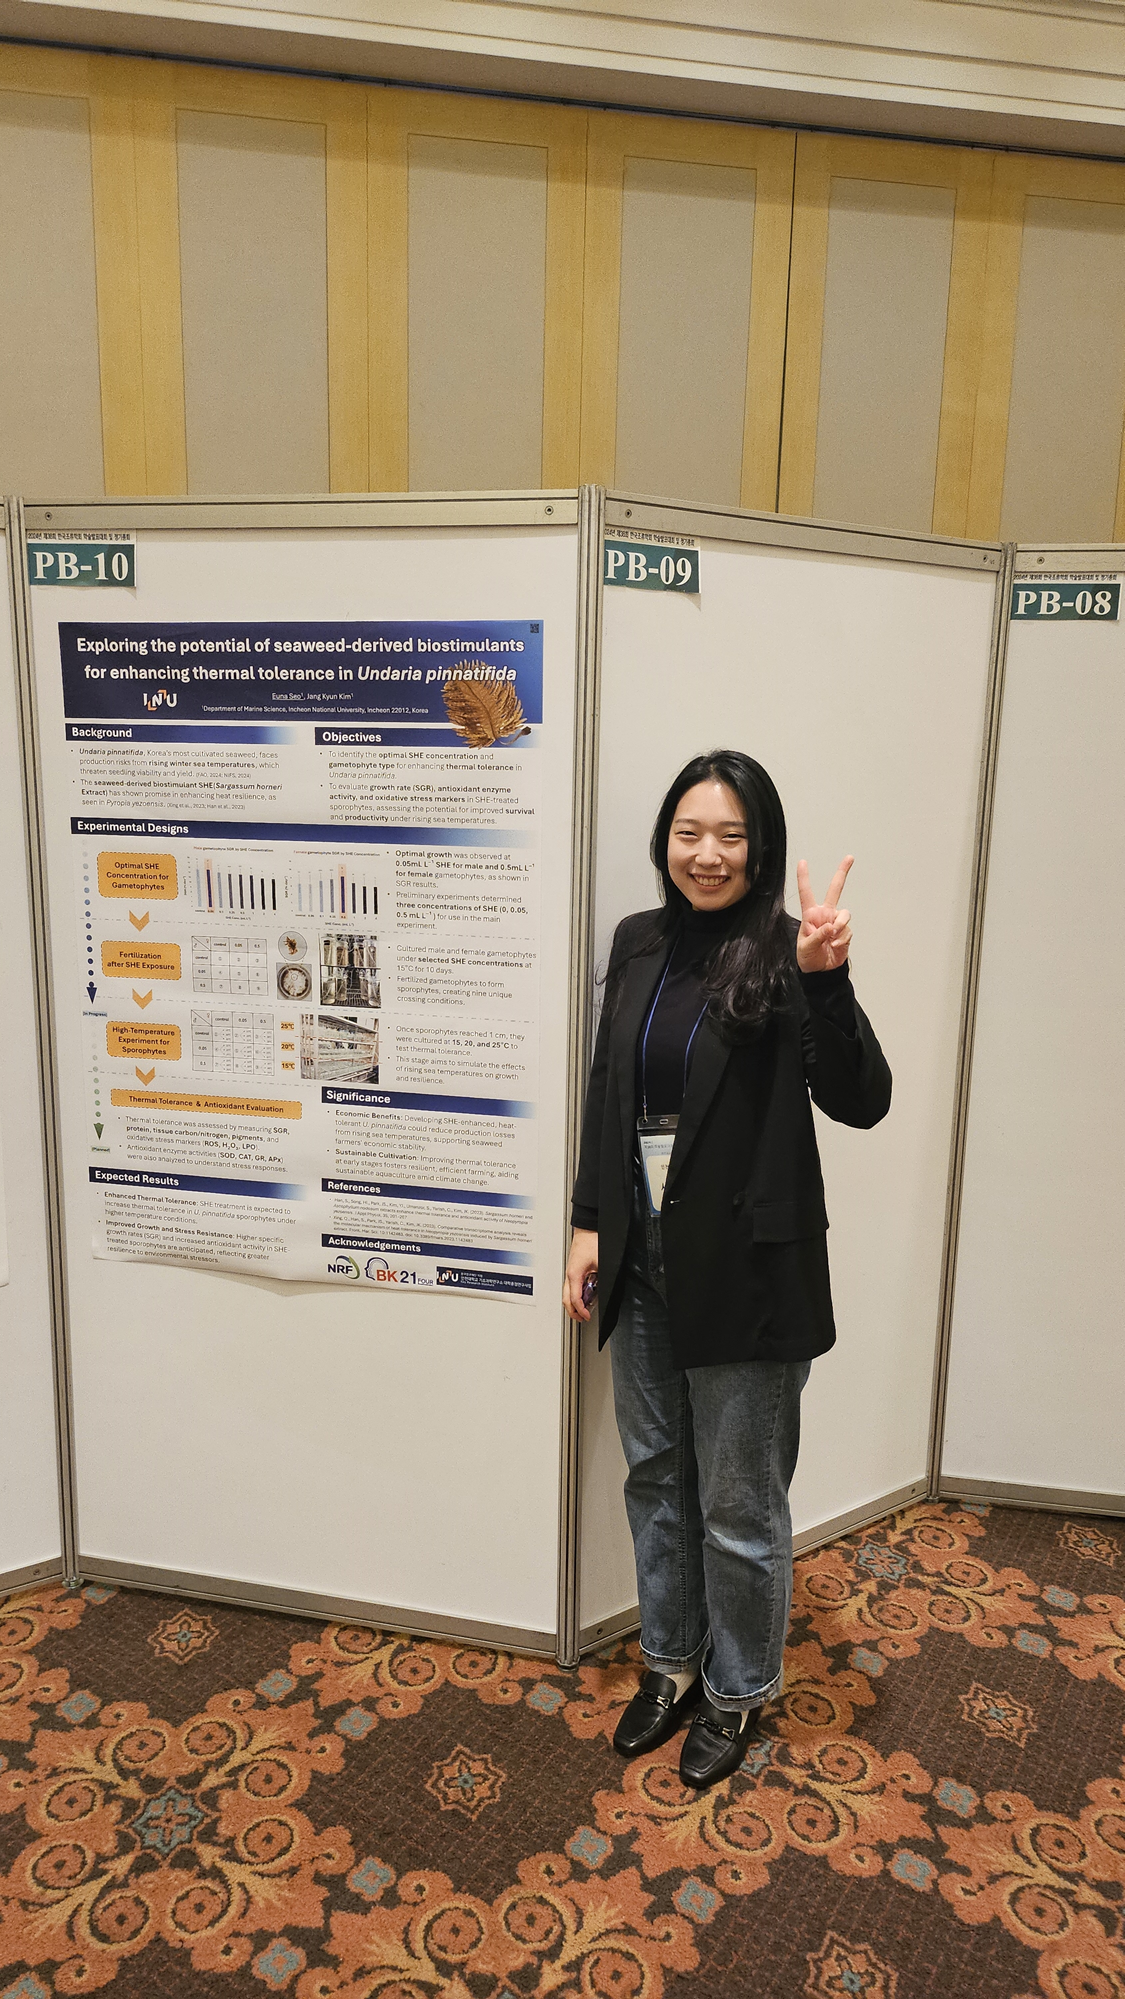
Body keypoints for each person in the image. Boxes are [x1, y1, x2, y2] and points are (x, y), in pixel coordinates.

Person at [563, 750, 891, 1790]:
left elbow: (861, 1099)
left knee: (739, 1503)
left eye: (731, 835)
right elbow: (609, 1089)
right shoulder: (638, 940)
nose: (707, 854)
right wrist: (587, 1223)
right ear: (665, 840)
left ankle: (738, 1686)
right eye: (689, 832)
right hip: (644, 1255)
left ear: (761, 847)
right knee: (656, 1475)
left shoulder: (789, 951)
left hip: (747, 1268)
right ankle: (669, 1661)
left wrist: (829, 980)